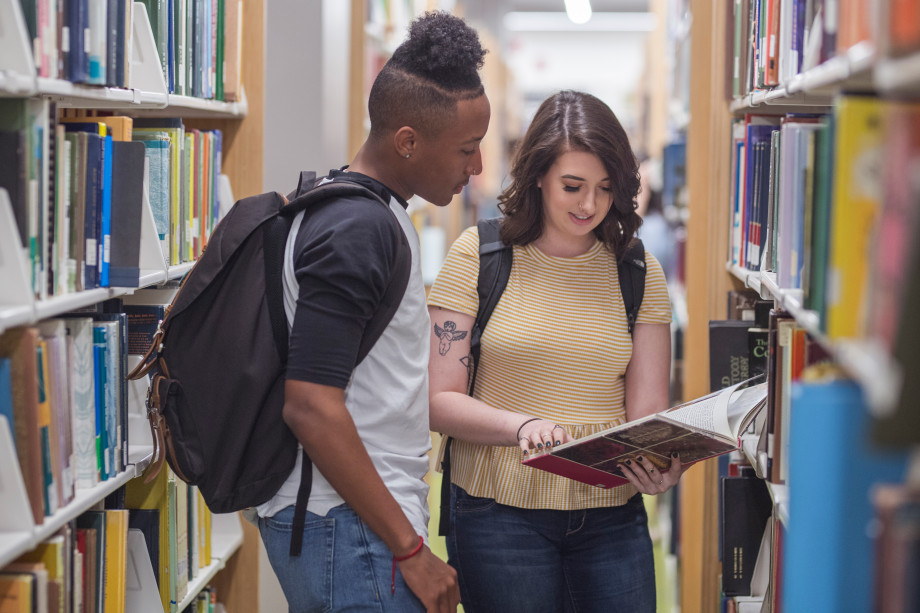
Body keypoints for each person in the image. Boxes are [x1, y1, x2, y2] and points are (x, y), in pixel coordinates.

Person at [256, 11, 490, 613]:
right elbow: (310, 405)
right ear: (407, 140)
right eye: (467, 149)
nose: (478, 167)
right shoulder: (356, 230)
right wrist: (411, 551)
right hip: (350, 527)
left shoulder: (366, 210)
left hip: (354, 522)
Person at [427, 90, 683, 613]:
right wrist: (521, 427)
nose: (589, 205)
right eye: (573, 186)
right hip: (497, 515)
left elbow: (646, 414)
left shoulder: (637, 271)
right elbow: (437, 400)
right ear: (538, 175)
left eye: (606, 189)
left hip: (613, 515)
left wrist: (663, 461)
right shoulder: (479, 255)